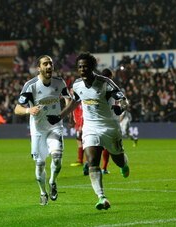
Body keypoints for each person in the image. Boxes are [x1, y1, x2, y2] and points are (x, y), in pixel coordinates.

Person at [47, 52, 130, 210]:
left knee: (118, 159)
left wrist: (121, 107)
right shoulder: (77, 85)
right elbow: (74, 102)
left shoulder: (105, 82)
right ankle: (101, 197)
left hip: (109, 127)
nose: (82, 69)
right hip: (90, 127)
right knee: (92, 161)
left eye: (85, 66)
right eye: (79, 67)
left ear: (92, 67)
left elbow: (123, 98)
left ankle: (124, 163)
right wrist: (59, 116)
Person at [14, 55, 71, 205]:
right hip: (38, 130)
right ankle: (42, 191)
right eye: (45, 64)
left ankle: (53, 181)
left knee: (57, 159)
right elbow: (17, 108)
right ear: (39, 68)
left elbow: (68, 99)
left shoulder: (59, 83)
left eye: (51, 63)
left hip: (55, 127)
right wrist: (28, 110)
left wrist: (64, 112)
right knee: (40, 164)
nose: (49, 66)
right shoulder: (31, 85)